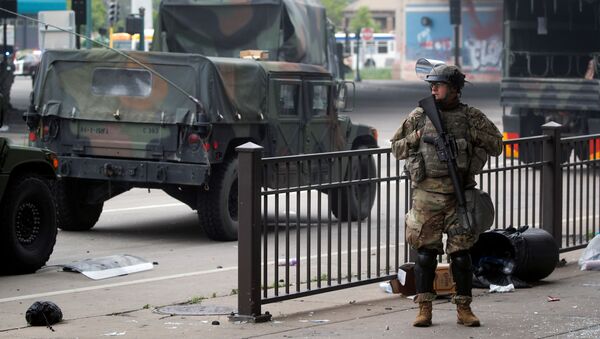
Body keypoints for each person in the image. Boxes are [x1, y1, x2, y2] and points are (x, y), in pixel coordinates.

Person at [390, 64, 503, 327]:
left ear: (454, 89)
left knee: (461, 256)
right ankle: (424, 308)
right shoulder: (419, 116)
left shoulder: (470, 117)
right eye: (432, 85)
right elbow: (396, 149)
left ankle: (464, 308)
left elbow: (497, 144)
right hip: (426, 198)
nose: (433, 89)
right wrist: (418, 137)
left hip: (459, 196)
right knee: (425, 256)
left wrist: (472, 135)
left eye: (438, 85)